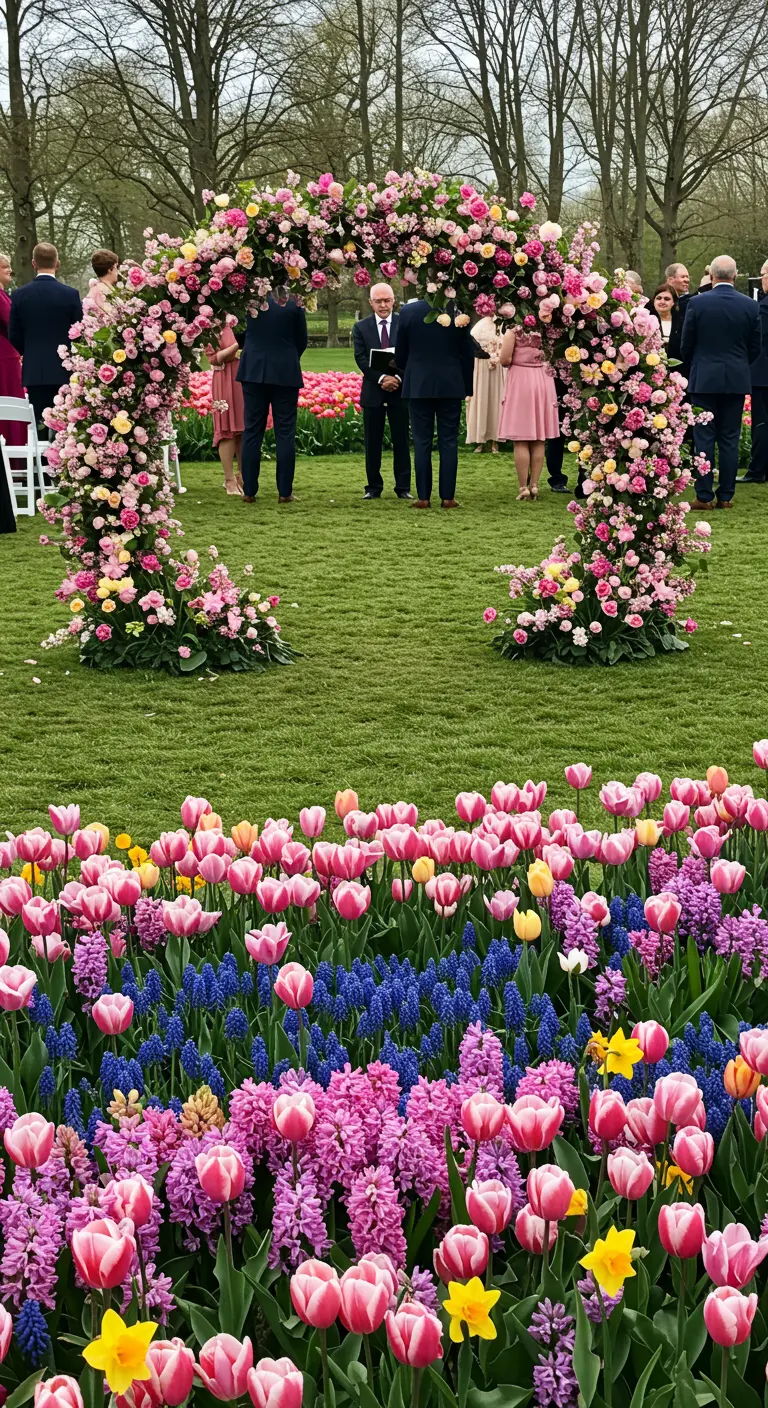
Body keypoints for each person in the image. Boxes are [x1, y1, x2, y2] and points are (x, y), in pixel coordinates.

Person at [681, 253, 760, 509]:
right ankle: (726, 495)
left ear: (712, 276)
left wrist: (698, 364)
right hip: (736, 378)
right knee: (729, 438)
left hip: (704, 378)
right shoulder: (750, 305)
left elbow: (686, 344)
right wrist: (738, 365)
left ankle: (703, 495)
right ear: (735, 276)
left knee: (703, 437)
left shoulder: (697, 303)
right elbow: (754, 347)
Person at [394, 299, 477, 508]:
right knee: (448, 441)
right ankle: (447, 497)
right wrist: (466, 386)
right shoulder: (458, 311)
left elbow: (400, 352)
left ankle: (423, 497)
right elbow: (468, 353)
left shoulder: (408, 311)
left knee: (422, 442)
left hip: (418, 384)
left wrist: (412, 371)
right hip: (450, 383)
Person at [236, 286, 308, 503]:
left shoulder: (249, 300)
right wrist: (288, 356)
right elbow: (301, 338)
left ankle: (249, 490)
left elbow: (239, 334)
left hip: (253, 369)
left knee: (252, 431)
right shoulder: (294, 301)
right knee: (285, 432)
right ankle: (284, 492)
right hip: (285, 370)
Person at [8, 242, 82, 431]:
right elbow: (79, 333)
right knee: (65, 428)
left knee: (40, 425)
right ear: (57, 264)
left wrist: (29, 351)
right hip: (64, 370)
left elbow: (14, 334)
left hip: (35, 370)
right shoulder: (71, 295)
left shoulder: (19, 295)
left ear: (33, 263)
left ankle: (41, 460)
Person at [351, 283, 411, 499]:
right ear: (371, 303)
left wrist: (396, 377)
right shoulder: (361, 327)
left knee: (401, 440)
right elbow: (360, 358)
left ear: (394, 300)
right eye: (379, 301)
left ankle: (403, 487)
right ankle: (373, 488)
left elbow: (409, 354)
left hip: (399, 390)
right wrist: (380, 378)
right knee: (372, 442)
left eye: (387, 300)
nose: (383, 305)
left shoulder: (404, 325)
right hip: (373, 392)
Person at [497, 324, 559, 500]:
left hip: (521, 380)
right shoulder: (546, 329)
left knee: (521, 439)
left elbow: (505, 359)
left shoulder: (514, 331)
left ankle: (523, 486)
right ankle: (535, 485)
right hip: (543, 378)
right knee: (539, 438)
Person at [740, 258, 768, 484]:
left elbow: (755, 340)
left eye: (763, 274)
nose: (761, 279)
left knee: (761, 423)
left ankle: (757, 470)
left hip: (763, 374)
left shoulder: (763, 308)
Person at [208, 326, 245, 495]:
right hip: (224, 378)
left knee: (244, 428)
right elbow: (215, 358)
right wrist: (237, 346)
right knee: (227, 429)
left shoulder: (239, 320)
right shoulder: (210, 324)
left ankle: (242, 476)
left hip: (243, 375)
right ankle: (229, 479)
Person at [0, 251, 22, 534]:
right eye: (4, 267)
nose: (9, 270)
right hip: (4, 358)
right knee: (11, 404)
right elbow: (11, 322)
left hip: (7, 355)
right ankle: (15, 465)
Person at [465, 316, 505, 454]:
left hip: (499, 364)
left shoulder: (504, 324)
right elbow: (472, 343)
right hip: (482, 364)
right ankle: (480, 440)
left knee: (498, 399)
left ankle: (496, 439)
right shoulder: (480, 325)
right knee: (480, 398)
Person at [649, 282, 683, 361]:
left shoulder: (682, 323)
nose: (662, 302)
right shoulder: (647, 322)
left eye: (667, 299)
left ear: (673, 302)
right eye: (659, 298)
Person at [85, 249, 119, 314]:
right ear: (110, 270)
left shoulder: (96, 288)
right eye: (116, 267)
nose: (117, 271)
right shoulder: (103, 292)